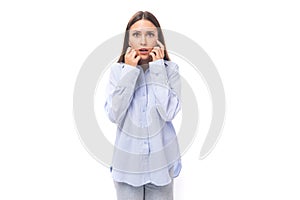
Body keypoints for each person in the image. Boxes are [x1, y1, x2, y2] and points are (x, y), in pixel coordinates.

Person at [104, 11, 182, 200]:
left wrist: (157, 70)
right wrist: (130, 71)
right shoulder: (118, 72)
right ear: (128, 40)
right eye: (137, 35)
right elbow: (114, 115)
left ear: (158, 38)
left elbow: (169, 112)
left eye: (150, 34)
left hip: (162, 165)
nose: (144, 42)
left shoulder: (170, 71)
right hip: (127, 167)